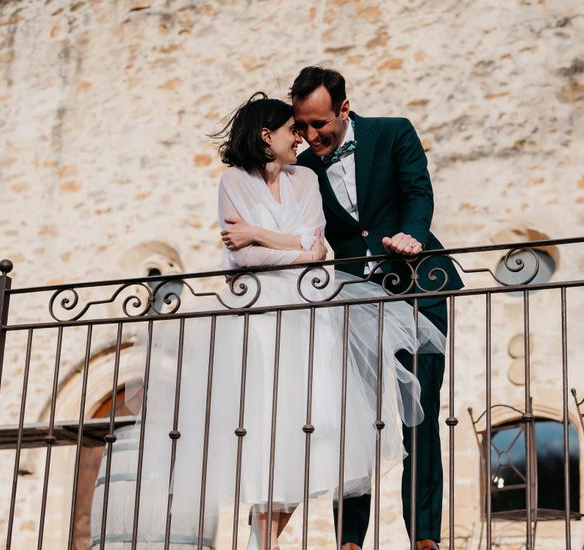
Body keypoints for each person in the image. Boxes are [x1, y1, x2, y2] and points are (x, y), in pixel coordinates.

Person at [135, 93, 444, 550]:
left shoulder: (306, 178)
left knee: (323, 426)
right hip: (258, 317)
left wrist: (262, 234)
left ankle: (420, 536)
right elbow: (242, 255)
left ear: (343, 108)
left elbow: (314, 248)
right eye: (292, 128)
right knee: (267, 431)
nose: (301, 136)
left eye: (309, 126)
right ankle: (279, 541)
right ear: (267, 136)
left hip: (314, 312)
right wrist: (291, 249)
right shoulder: (234, 182)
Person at [290, 67, 464, 550]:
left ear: (344, 108)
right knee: (355, 419)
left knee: (421, 414)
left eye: (320, 124)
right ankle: (349, 539)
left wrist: (410, 233)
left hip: (416, 289)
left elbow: (417, 192)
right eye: (302, 126)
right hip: (351, 304)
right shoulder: (302, 168)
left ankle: (424, 536)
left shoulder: (394, 131)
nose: (311, 135)